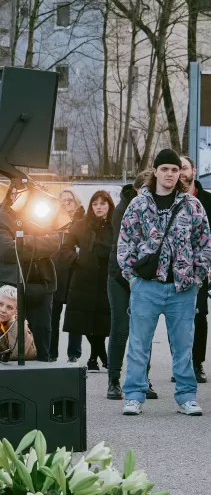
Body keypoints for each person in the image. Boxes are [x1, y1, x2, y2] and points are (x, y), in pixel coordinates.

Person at [118, 148, 211, 416]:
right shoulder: (139, 204)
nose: (170, 174)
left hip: (182, 288)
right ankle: (134, 395)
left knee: (184, 346)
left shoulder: (191, 205)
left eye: (174, 169)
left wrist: (197, 277)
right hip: (146, 287)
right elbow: (126, 241)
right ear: (155, 172)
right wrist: (132, 279)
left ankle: (186, 397)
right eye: (165, 169)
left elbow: (204, 243)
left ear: (179, 173)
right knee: (138, 344)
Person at [0, 184, 61, 362]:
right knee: (9, 336)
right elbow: (6, 250)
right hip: (11, 282)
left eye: (21, 194)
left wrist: (23, 241)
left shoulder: (41, 216)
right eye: (13, 194)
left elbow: (54, 242)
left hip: (41, 284)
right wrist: (37, 246)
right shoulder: (0, 217)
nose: (16, 197)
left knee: (42, 334)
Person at [107, 171, 158, 401]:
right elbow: (128, 243)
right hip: (120, 276)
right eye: (146, 188)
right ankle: (113, 380)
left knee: (144, 332)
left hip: (146, 275)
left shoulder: (158, 207)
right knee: (121, 329)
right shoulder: (122, 209)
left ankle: (143, 380)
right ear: (138, 189)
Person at [63, 189, 115, 372]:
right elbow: (66, 247)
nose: (99, 207)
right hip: (83, 278)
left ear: (109, 205)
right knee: (83, 320)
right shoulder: (80, 225)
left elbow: (116, 248)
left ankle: (94, 358)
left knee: (100, 321)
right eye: (95, 204)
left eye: (103, 203)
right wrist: (77, 258)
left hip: (105, 279)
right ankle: (104, 358)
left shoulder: (115, 224)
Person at [180, 155, 211, 382]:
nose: (181, 173)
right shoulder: (169, 200)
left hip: (201, 268)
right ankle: (180, 364)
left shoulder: (208, 201)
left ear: (194, 170)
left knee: (199, 317)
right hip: (174, 270)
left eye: (184, 168)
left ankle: (197, 362)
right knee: (178, 318)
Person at [49, 190, 84, 363]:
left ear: (76, 203)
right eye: (63, 201)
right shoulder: (50, 222)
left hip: (74, 273)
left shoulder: (82, 222)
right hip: (54, 273)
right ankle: (51, 351)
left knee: (74, 315)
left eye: (70, 200)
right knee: (52, 315)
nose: (66, 203)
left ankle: (74, 353)